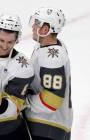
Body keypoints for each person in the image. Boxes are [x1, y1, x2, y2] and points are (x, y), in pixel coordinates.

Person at [24, 7, 73, 140]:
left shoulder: (52, 58)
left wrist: (25, 101)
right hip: (51, 124)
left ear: (45, 29)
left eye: (36, 23)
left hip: (47, 126)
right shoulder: (47, 46)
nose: (33, 26)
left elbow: (53, 100)